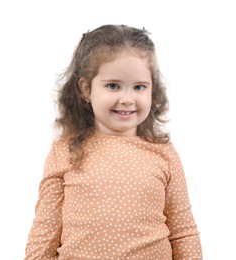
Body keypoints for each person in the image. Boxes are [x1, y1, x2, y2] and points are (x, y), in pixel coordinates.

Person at [25, 24, 203, 259]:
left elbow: (183, 232)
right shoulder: (65, 150)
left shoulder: (163, 152)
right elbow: (45, 233)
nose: (127, 99)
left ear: (153, 90)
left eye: (139, 87)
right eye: (113, 86)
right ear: (86, 89)